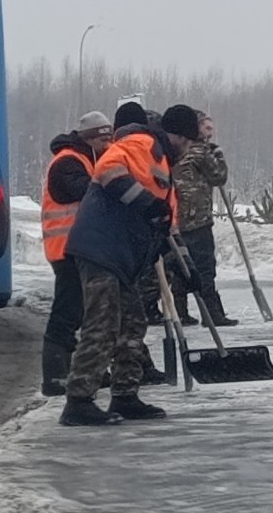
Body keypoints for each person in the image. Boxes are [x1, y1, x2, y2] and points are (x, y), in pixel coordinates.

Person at [56, 101, 186, 426]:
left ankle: (125, 395)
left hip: (121, 258)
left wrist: (187, 268)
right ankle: (79, 401)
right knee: (103, 323)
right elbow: (109, 171)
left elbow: (163, 223)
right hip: (100, 249)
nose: (188, 149)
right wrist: (144, 202)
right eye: (187, 141)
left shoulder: (164, 166)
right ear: (175, 135)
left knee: (132, 321)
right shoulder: (139, 144)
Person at [37, 113, 109, 396]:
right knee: (66, 313)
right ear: (89, 138)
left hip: (79, 247)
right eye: (104, 139)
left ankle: (80, 371)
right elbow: (85, 191)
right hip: (66, 249)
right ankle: (55, 377)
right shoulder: (68, 162)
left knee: (80, 310)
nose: (108, 144)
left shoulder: (84, 160)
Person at [161, 105, 230, 326]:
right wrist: (218, 154)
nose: (209, 132)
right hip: (197, 218)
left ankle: (180, 311)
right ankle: (213, 314)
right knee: (204, 266)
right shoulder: (201, 152)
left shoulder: (168, 152)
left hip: (175, 218)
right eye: (206, 127)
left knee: (180, 265)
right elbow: (218, 176)